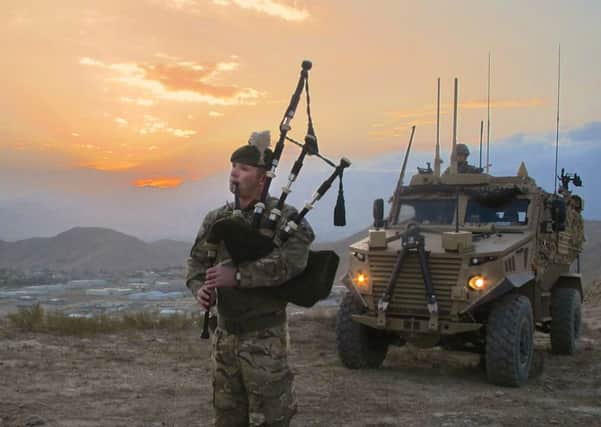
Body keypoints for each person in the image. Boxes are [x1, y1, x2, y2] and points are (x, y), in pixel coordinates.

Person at [186, 130, 315, 427]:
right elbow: (195, 260)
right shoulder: (216, 218)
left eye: (244, 168)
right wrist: (198, 289)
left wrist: (240, 276)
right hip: (224, 337)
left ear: (262, 178)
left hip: (264, 339)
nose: (234, 172)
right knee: (227, 415)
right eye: (233, 166)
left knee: (270, 417)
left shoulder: (286, 219)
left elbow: (292, 262)